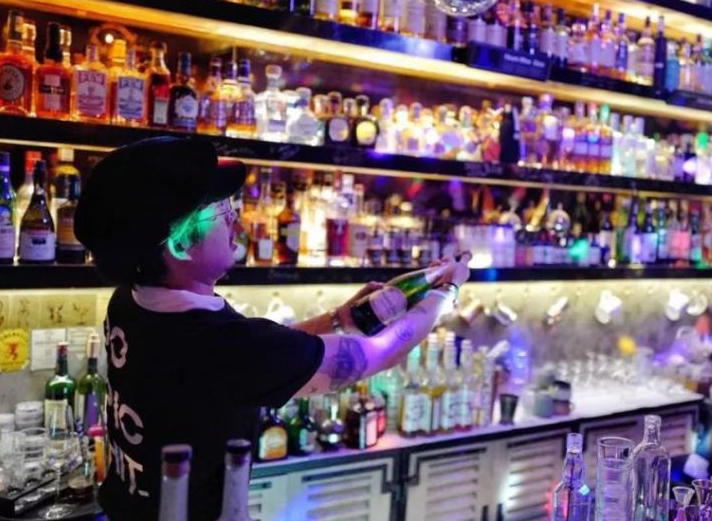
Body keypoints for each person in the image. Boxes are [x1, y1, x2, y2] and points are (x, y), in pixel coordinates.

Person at [73, 137, 471, 520]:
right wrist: (445, 293)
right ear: (179, 245)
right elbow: (379, 354)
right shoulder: (224, 346)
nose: (236, 219)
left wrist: (340, 319)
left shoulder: (132, 302)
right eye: (220, 211)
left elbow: (257, 355)